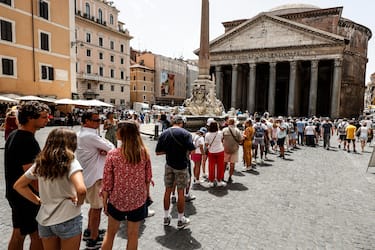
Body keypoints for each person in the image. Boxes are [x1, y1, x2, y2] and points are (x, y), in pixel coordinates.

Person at [13, 128, 86, 250]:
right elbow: (82, 190)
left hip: (45, 219)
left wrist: (38, 201)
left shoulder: (40, 163)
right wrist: (79, 202)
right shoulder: (71, 162)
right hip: (68, 217)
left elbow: (19, 186)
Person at [4, 101, 50, 250]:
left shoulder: (14, 135)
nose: (48, 119)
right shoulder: (27, 140)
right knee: (36, 234)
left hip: (16, 194)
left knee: (19, 232)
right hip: (27, 196)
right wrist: (43, 196)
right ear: (31, 118)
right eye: (44, 117)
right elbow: (32, 177)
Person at [101, 120, 152, 250]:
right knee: (133, 235)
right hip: (137, 199)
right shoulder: (144, 153)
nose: (116, 131)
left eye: (118, 129)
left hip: (117, 198)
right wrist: (146, 197)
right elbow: (147, 179)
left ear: (122, 133)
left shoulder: (113, 154)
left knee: (111, 233)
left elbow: (107, 181)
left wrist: (105, 201)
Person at [76, 109, 115, 249]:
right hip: (95, 176)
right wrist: (105, 150)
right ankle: (93, 238)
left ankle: (90, 230)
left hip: (86, 175)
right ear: (86, 121)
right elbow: (112, 147)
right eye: (96, 120)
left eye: (99, 120)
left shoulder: (80, 134)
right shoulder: (90, 136)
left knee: (93, 207)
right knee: (97, 208)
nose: (99, 123)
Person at [155, 115, 195, 229]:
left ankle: (166, 217)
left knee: (167, 191)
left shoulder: (164, 133)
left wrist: (169, 152)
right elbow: (192, 149)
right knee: (181, 192)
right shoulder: (186, 134)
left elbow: (158, 152)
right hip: (181, 166)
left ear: (173, 122)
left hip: (169, 165)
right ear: (181, 123)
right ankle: (180, 219)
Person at [205, 120, 226, 187]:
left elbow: (206, 144)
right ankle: (219, 180)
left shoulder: (207, 134)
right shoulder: (220, 133)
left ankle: (211, 181)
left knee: (211, 166)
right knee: (220, 166)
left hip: (211, 151)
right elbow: (222, 140)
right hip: (220, 151)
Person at [222, 118, 243, 182]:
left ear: (228, 123)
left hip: (225, 149)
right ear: (234, 123)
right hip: (234, 149)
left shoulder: (224, 130)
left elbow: (221, 139)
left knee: (224, 163)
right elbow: (240, 141)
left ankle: (222, 176)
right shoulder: (237, 130)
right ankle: (230, 177)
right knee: (232, 164)